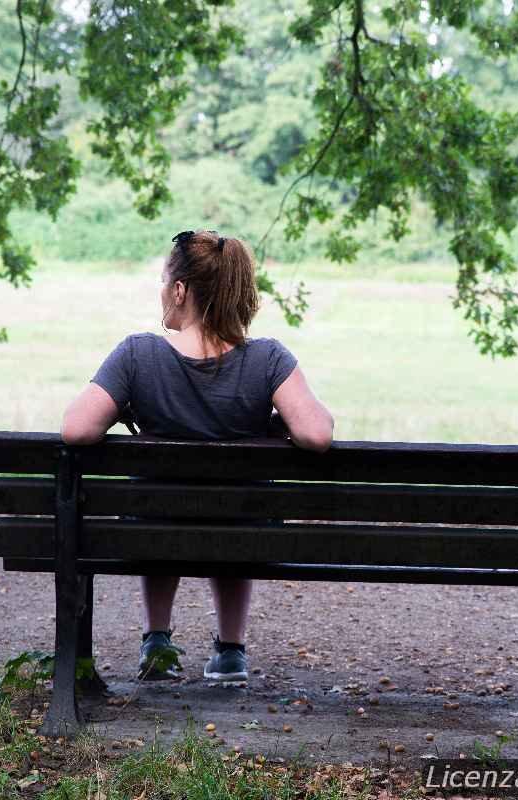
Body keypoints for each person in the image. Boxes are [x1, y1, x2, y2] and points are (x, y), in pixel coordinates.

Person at [59, 229, 334, 683]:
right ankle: (230, 650)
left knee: (157, 506)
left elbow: (75, 428)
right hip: (243, 535)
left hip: (152, 532)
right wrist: (273, 420)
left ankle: (157, 642)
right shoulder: (266, 360)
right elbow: (317, 434)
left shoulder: (137, 355)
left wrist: (127, 406)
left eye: (165, 283)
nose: (162, 293)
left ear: (181, 290)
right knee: (236, 511)